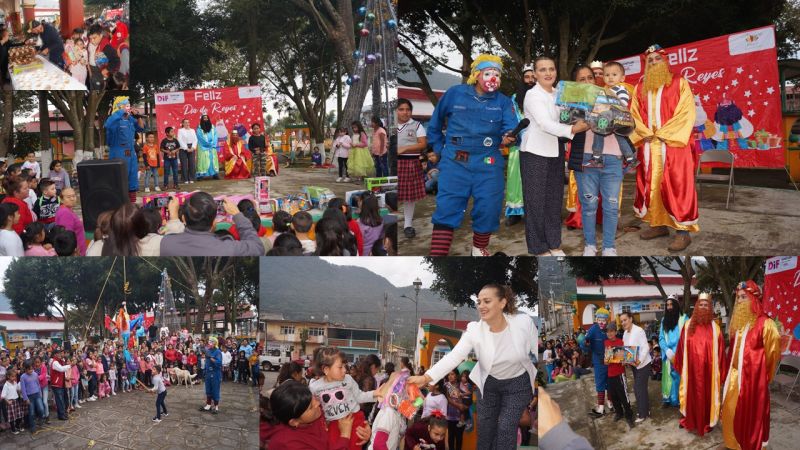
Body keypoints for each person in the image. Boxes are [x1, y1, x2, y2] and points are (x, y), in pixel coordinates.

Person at [408, 284, 536, 449]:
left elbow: (535, 346)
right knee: (485, 432)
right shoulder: (474, 330)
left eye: (487, 301)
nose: (481, 306)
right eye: (479, 302)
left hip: (517, 383)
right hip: (488, 384)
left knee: (505, 427)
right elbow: (454, 356)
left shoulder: (523, 322)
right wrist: (426, 377)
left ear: (502, 302)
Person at [426, 55, 518, 256]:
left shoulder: (503, 102)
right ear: (477, 75)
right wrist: (440, 151)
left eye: (497, 74)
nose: (493, 78)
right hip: (455, 162)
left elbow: (510, 127)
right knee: (446, 208)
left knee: (489, 207)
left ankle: (478, 249)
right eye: (488, 73)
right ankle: (438, 255)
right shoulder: (455, 94)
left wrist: (509, 137)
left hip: (488, 162)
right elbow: (435, 124)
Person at [629, 44, 698, 252]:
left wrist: (663, 134)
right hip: (649, 145)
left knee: (677, 186)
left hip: (673, 145)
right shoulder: (641, 86)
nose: (653, 63)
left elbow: (686, 112)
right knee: (651, 185)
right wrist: (644, 133)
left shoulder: (679, 82)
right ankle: (658, 225)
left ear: (665, 61)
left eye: (657, 59)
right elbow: (633, 114)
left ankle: (683, 233)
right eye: (650, 60)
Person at [521, 56, 589, 256]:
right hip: (534, 152)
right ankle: (538, 247)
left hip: (555, 152)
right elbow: (544, 123)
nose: (548, 73)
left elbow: (569, 114)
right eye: (542, 70)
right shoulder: (533, 95)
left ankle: (554, 244)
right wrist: (572, 130)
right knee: (535, 202)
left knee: (553, 200)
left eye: (551, 69)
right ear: (535, 74)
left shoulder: (560, 93)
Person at [721, 281, 781, 450]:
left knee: (750, 417)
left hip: (753, 381)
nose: (739, 301)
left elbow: (772, 354)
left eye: (743, 297)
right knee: (730, 412)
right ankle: (732, 443)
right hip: (733, 378)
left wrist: (761, 377)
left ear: (754, 299)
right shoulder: (737, 323)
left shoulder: (766, 324)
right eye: (738, 298)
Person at [261, 380, 372, 449]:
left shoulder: (313, 416)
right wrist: (345, 435)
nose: (318, 404)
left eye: (313, 398)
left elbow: (342, 417)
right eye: (310, 407)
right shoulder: (288, 444)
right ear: (294, 422)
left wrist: (362, 430)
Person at [671, 294, 725, 436]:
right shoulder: (688, 326)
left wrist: (720, 372)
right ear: (696, 307)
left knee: (707, 396)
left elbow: (720, 353)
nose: (703, 307)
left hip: (708, 373)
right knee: (691, 395)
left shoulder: (716, 328)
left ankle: (708, 421)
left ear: (709, 307)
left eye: (705, 305)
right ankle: (689, 419)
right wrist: (680, 365)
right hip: (691, 372)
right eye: (700, 304)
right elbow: (681, 347)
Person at [309, 347, 380, 450]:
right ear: (326, 369)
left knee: (354, 447)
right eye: (340, 367)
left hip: (354, 419)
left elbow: (359, 396)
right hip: (332, 424)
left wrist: (375, 394)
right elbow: (314, 408)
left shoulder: (348, 379)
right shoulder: (315, 387)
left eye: (345, 366)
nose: (345, 370)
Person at [160, 194, 265, 256]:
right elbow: (258, 247)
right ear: (214, 221)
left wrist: (173, 216)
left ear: (183, 219)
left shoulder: (166, 244)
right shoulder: (228, 248)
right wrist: (237, 214)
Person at [583, 62, 639, 170]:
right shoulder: (606, 90)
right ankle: (630, 158)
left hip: (617, 118)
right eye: (607, 75)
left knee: (601, 132)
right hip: (610, 118)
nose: (610, 78)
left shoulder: (620, 89)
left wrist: (609, 106)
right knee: (614, 136)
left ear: (622, 78)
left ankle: (597, 157)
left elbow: (623, 103)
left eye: (614, 75)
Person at [505, 63, 534, 227]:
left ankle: (534, 211)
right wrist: (518, 134)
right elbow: (512, 119)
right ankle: (515, 212)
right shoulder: (515, 98)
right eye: (527, 77)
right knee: (516, 178)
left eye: (533, 77)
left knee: (535, 179)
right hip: (519, 143)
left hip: (538, 144)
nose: (530, 80)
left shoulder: (543, 95)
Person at [395, 99, 428, 239]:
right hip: (393, 163)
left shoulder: (417, 125)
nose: (405, 112)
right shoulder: (391, 126)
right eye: (401, 109)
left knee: (409, 197)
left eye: (408, 109)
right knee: (391, 193)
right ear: (396, 111)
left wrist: (405, 148)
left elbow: (422, 144)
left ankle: (407, 225)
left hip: (410, 163)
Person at [105, 97, 145, 202]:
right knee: (121, 177)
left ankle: (132, 203)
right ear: (120, 107)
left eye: (129, 105)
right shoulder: (114, 119)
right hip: (119, 151)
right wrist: (121, 112)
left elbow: (141, 128)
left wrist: (138, 116)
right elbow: (108, 125)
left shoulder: (130, 119)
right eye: (127, 105)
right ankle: (120, 203)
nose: (129, 107)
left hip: (131, 151)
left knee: (132, 177)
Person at [620, 311, 652, 423]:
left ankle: (642, 414)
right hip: (634, 365)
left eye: (625, 320)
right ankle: (646, 410)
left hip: (643, 364)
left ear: (631, 319)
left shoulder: (639, 330)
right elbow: (627, 349)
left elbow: (646, 347)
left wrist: (639, 360)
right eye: (622, 321)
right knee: (641, 388)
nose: (623, 323)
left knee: (638, 388)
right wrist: (625, 360)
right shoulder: (625, 333)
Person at [603, 322, 636, 428]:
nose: (609, 333)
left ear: (616, 332)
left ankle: (629, 415)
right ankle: (619, 413)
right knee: (613, 396)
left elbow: (628, 358)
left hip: (620, 374)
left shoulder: (621, 342)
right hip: (610, 374)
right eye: (608, 332)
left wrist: (624, 361)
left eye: (611, 331)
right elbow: (606, 361)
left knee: (623, 395)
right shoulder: (606, 343)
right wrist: (607, 360)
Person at [658, 295, 687, 408]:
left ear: (676, 305)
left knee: (679, 378)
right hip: (668, 354)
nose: (669, 307)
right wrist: (666, 350)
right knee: (667, 377)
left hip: (681, 354)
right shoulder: (664, 320)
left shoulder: (684, 319)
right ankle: (667, 399)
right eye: (667, 305)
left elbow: (688, 338)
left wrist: (678, 352)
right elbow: (661, 337)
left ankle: (680, 400)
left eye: (671, 304)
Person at [583, 307, 612, 416]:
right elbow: (586, 346)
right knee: (600, 382)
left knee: (610, 381)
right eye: (599, 319)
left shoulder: (610, 328)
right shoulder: (593, 329)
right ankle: (600, 407)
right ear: (596, 319)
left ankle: (610, 401)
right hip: (598, 360)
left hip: (610, 358)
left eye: (604, 320)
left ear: (607, 320)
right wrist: (584, 343)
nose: (601, 322)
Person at [53, 188, 86, 256]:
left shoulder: (67, 210)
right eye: (68, 197)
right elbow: (67, 238)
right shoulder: (65, 213)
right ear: (62, 199)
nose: (72, 199)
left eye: (73, 196)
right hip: (75, 253)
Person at [200, 336, 223, 414]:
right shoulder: (208, 350)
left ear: (215, 343)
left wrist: (211, 358)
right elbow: (206, 361)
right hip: (208, 373)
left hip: (215, 374)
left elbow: (219, 363)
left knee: (215, 390)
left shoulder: (218, 352)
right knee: (208, 389)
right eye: (209, 341)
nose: (209, 343)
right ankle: (208, 405)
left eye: (211, 341)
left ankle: (216, 407)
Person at [49, 348, 71, 421]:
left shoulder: (59, 361)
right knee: (60, 400)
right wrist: (69, 365)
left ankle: (63, 413)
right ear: (55, 354)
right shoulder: (55, 362)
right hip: (56, 384)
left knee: (63, 399)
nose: (61, 355)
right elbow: (61, 369)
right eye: (59, 353)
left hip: (61, 383)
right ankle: (61, 415)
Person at [196, 114, 220, 179]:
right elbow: (200, 137)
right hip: (203, 146)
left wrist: (212, 143)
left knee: (213, 160)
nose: (205, 119)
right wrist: (207, 144)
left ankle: (214, 174)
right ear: (202, 119)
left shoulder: (212, 127)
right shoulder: (199, 128)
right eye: (204, 118)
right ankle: (201, 175)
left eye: (206, 118)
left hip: (212, 146)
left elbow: (215, 136)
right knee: (203, 160)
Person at [177, 119, 198, 184]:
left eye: (188, 122)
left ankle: (191, 178)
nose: (187, 123)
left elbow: (195, 139)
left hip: (191, 147)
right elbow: (179, 140)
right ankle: (185, 179)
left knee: (192, 163)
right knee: (184, 164)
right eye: (185, 122)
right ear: (183, 123)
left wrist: (193, 147)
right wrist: (186, 148)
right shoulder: (180, 130)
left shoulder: (192, 130)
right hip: (183, 148)